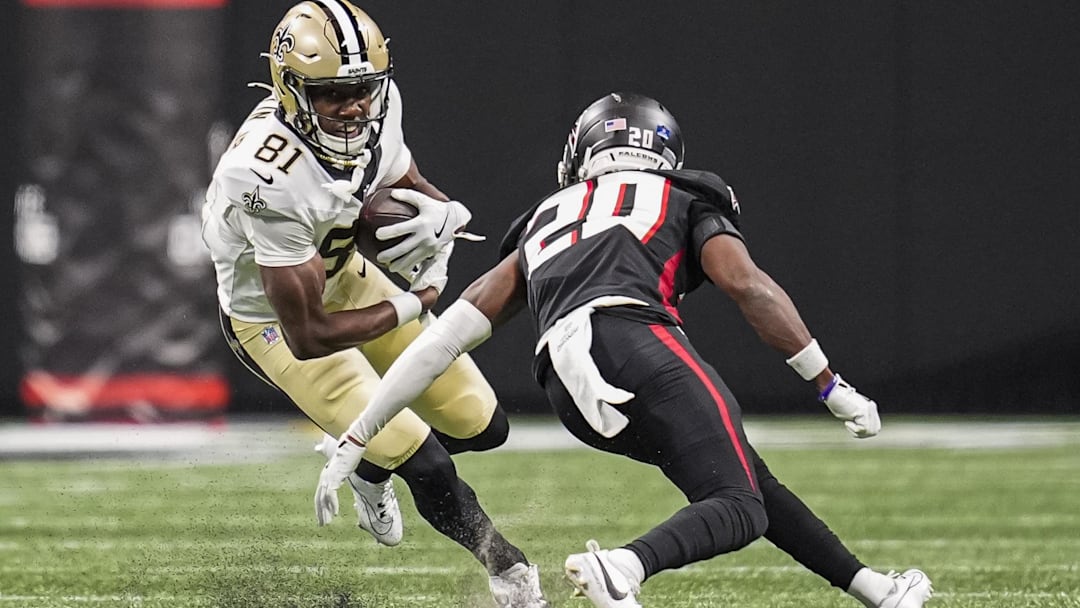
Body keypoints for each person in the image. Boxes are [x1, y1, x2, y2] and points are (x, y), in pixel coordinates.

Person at [314, 92, 935, 608]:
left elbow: (447, 335)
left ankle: (875, 589)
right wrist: (828, 383)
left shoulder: (544, 217)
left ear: (583, 154)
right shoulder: (686, 197)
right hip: (633, 342)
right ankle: (624, 568)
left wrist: (361, 430)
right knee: (738, 505)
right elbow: (748, 285)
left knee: (742, 478)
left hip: (565, 381)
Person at [200, 1, 547, 606]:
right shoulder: (261, 175)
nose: (356, 107)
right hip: (277, 324)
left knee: (482, 425)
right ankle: (508, 572)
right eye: (334, 94)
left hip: (349, 276)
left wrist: (444, 211)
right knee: (428, 462)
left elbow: (400, 182)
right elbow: (309, 333)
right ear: (291, 89)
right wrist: (418, 303)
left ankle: (368, 468)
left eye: (364, 89)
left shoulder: (378, 110)